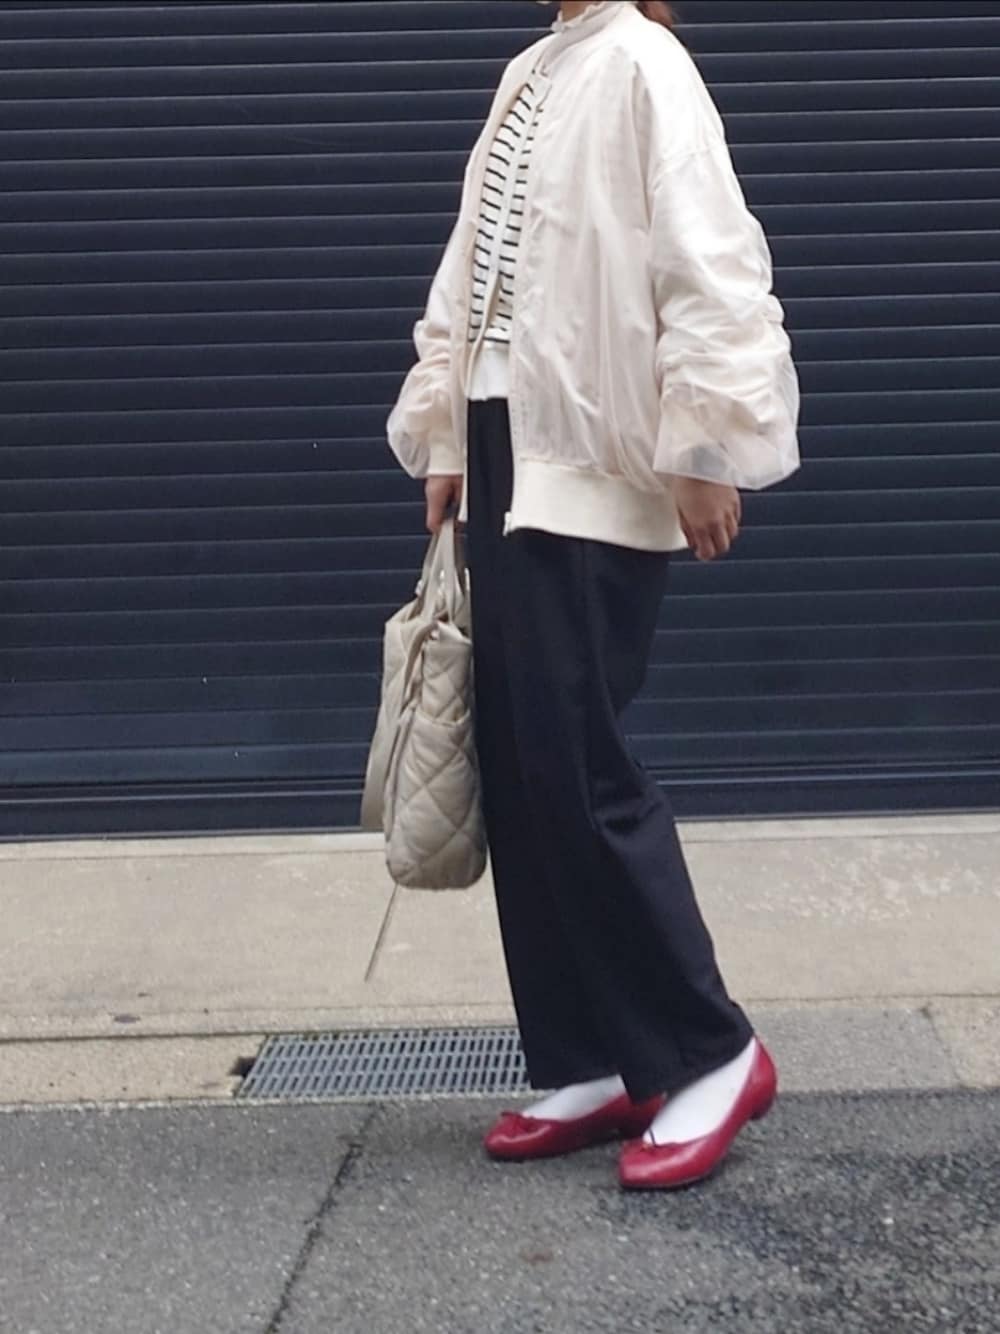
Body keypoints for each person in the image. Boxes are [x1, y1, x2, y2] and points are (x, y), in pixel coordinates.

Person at [385, 0, 800, 1190]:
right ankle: (596, 1053)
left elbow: (710, 256)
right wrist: (447, 432)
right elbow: (471, 269)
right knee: (521, 766)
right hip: (506, 446)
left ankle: (711, 1048)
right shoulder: (533, 67)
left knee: (580, 760)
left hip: (599, 458)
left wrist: (705, 443)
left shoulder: (644, 63)